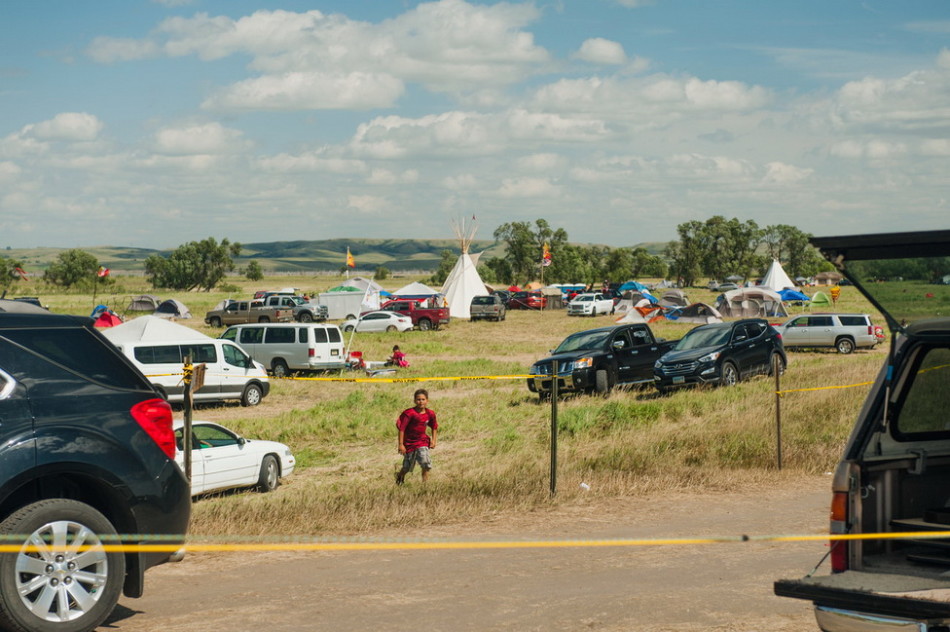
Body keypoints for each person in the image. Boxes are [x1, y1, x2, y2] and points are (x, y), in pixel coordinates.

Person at [395, 389, 438, 484]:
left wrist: (434, 440)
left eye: (423, 399)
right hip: (409, 443)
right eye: (418, 399)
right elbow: (402, 429)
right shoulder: (409, 413)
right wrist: (401, 444)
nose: (421, 402)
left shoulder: (430, 413)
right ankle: (400, 475)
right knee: (407, 467)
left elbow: (434, 427)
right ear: (415, 400)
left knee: (426, 464)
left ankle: (425, 485)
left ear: (427, 400)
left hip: (422, 442)